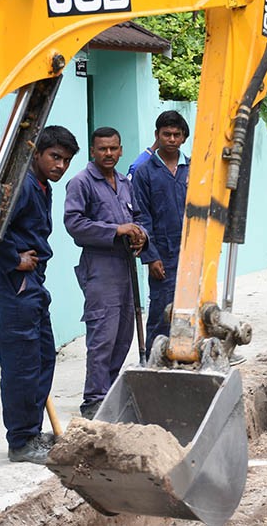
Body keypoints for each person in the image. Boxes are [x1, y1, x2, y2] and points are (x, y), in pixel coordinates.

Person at [0, 125, 78, 464]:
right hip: (16, 286)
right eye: (55, 157)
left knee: (42, 358)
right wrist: (14, 258)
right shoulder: (23, 185)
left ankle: (32, 432)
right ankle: (21, 442)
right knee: (22, 365)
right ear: (36, 153)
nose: (60, 165)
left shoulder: (42, 186)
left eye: (66, 160)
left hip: (33, 286)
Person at [64, 127, 149, 420]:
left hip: (126, 266)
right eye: (103, 149)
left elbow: (138, 218)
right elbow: (74, 224)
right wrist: (115, 230)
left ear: (121, 150)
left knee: (123, 334)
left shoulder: (125, 182)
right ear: (93, 151)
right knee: (102, 336)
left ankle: (110, 394)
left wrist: (141, 236)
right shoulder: (81, 182)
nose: (109, 154)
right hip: (100, 267)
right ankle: (94, 401)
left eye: (113, 148)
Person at [132, 110, 190, 354]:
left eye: (177, 134)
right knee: (161, 310)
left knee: (190, 308)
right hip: (162, 254)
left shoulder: (193, 169)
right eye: (166, 134)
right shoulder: (145, 172)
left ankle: (185, 356)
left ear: (184, 138)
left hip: (190, 251)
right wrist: (151, 256)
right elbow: (141, 217)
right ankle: (153, 360)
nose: (172, 139)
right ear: (157, 135)